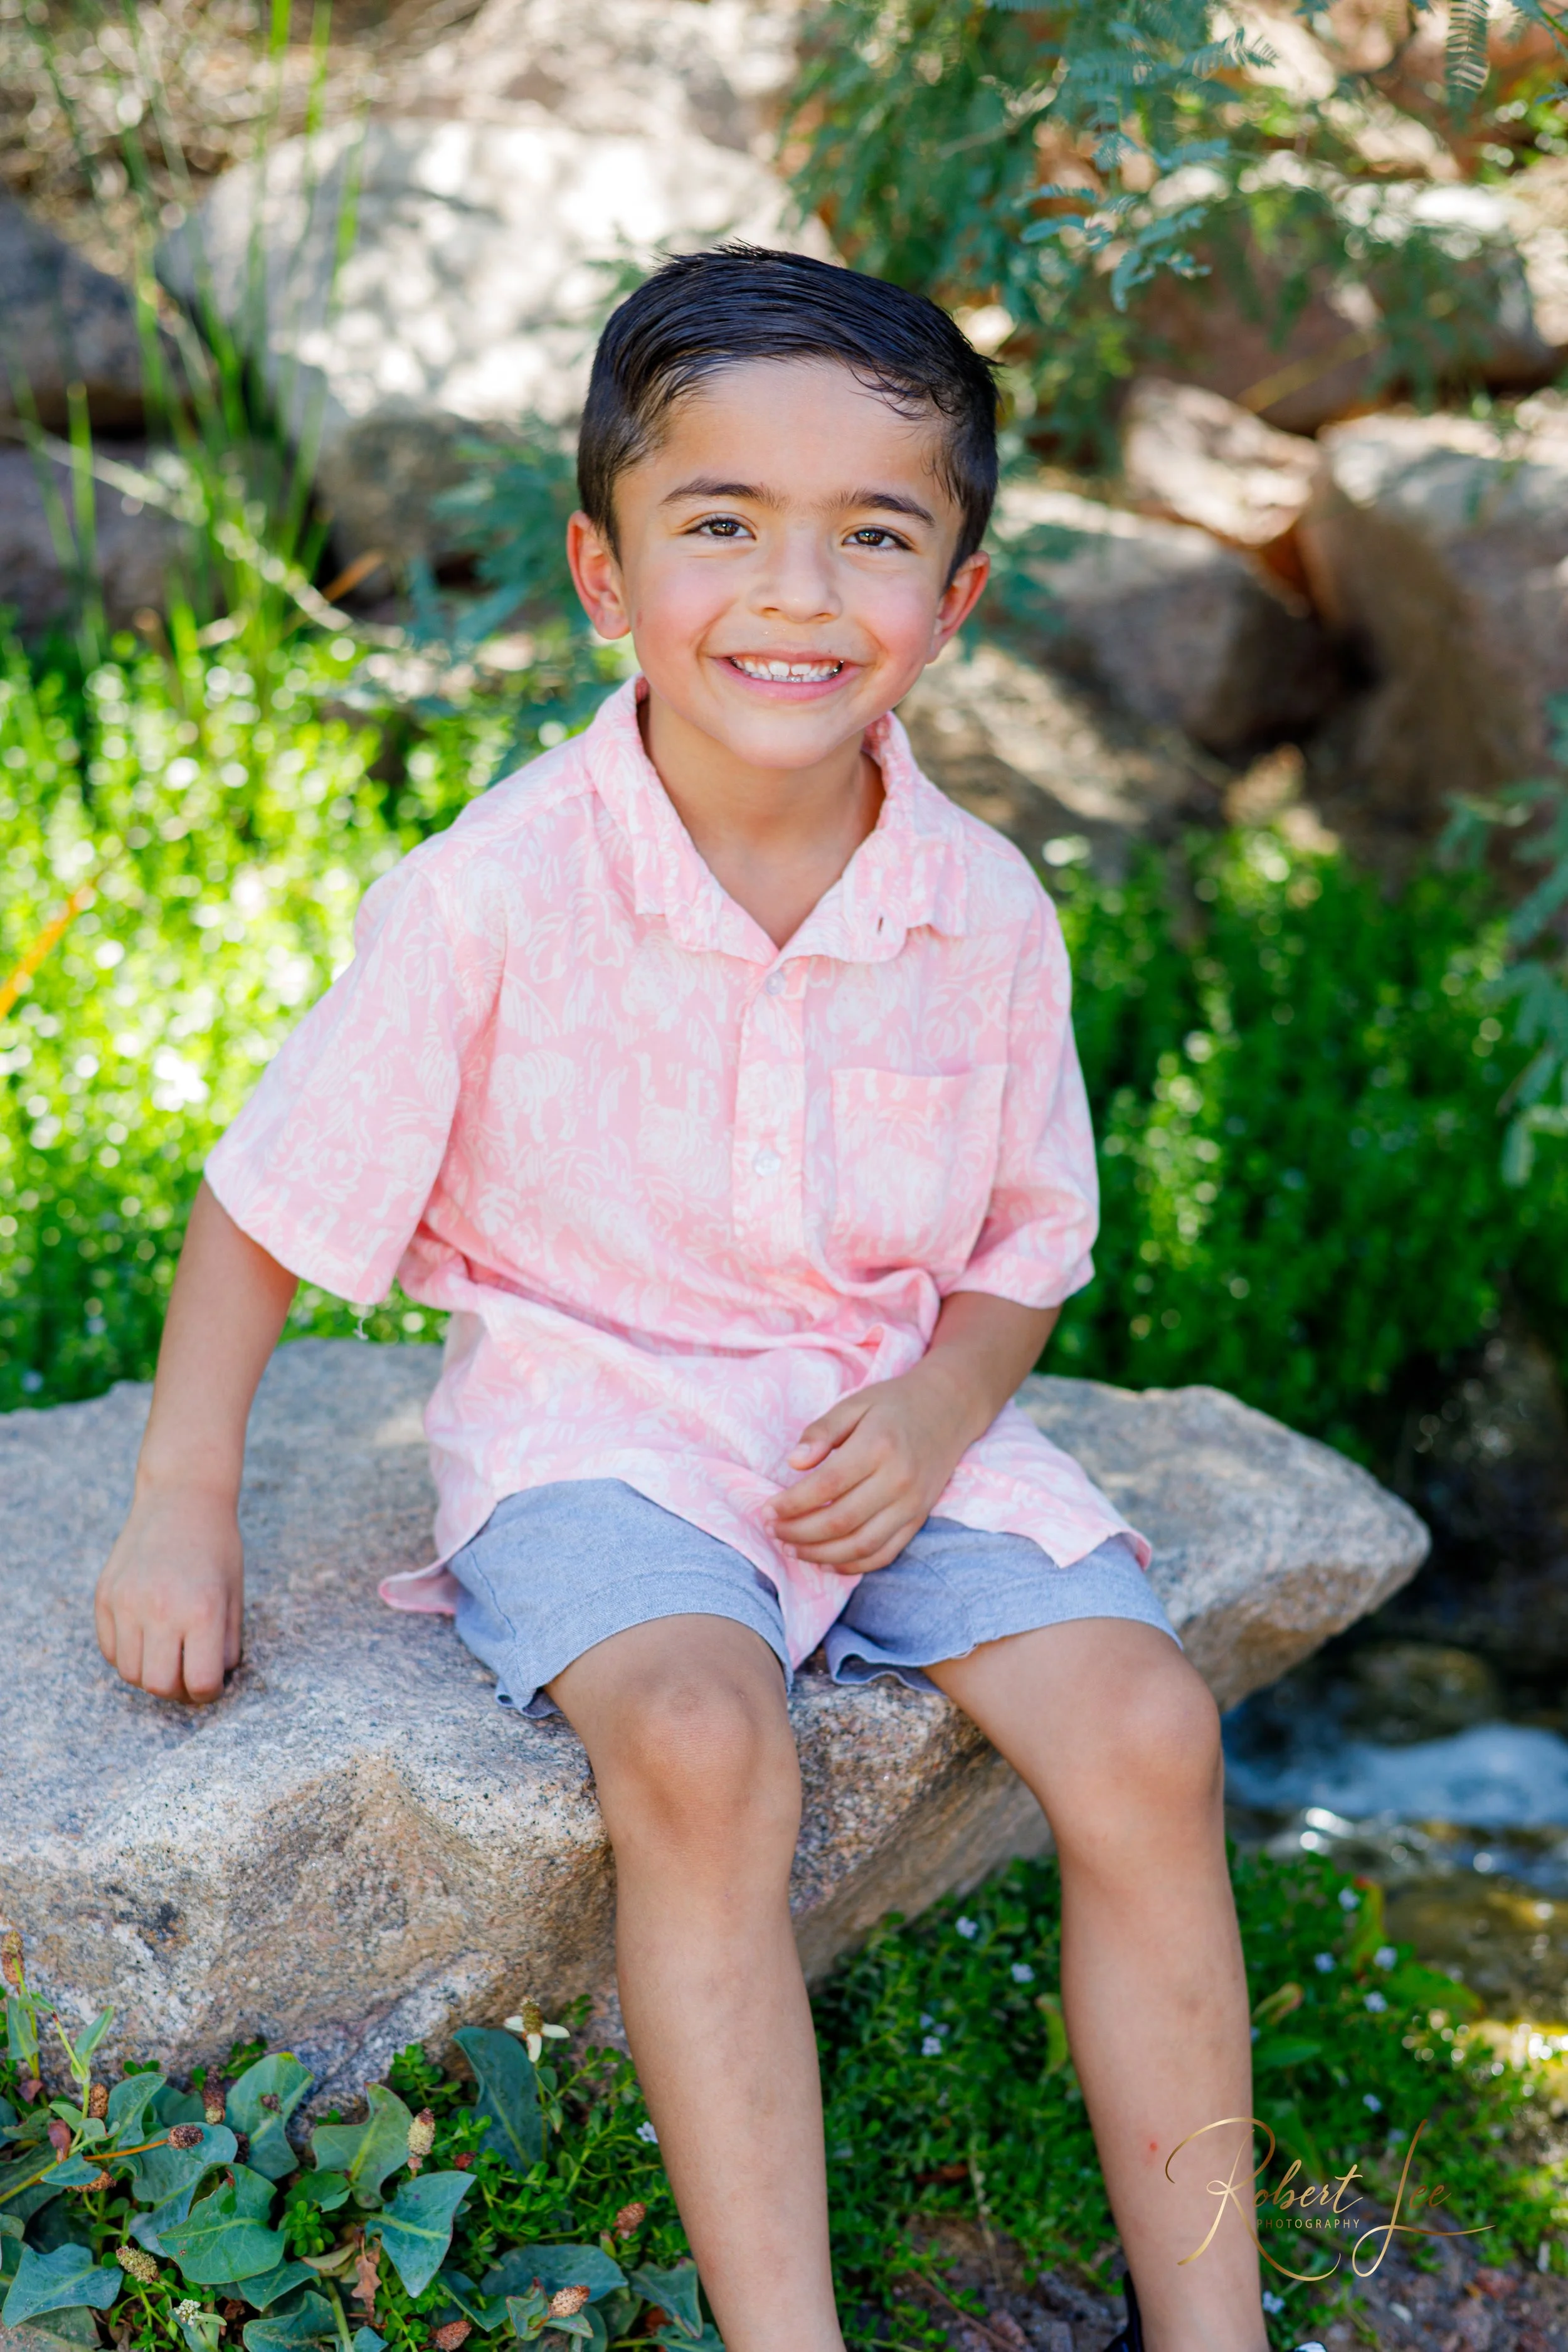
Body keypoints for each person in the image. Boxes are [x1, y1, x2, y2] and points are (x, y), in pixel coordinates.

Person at [96, 245, 1291, 2352]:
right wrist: (184, 1493)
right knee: (700, 1734)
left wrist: (934, 1411)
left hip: (876, 1407)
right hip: (597, 1414)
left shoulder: (982, 911)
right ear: (602, 568)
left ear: (959, 596)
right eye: (720, 524)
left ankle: (1212, 2326)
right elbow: (264, 1203)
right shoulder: (489, 892)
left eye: (875, 536)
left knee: (1145, 1726)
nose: (795, 593)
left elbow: (1022, 1250)